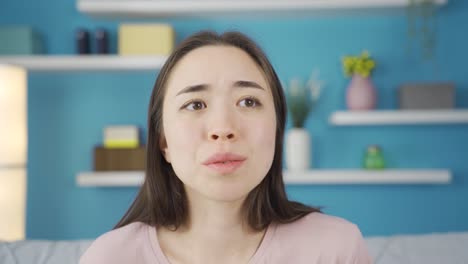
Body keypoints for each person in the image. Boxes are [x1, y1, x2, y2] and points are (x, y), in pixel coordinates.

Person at [79, 30, 373, 264]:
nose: (223, 129)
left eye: (248, 101)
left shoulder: (337, 250)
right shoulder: (110, 257)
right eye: (195, 104)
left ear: (277, 129)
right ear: (164, 142)